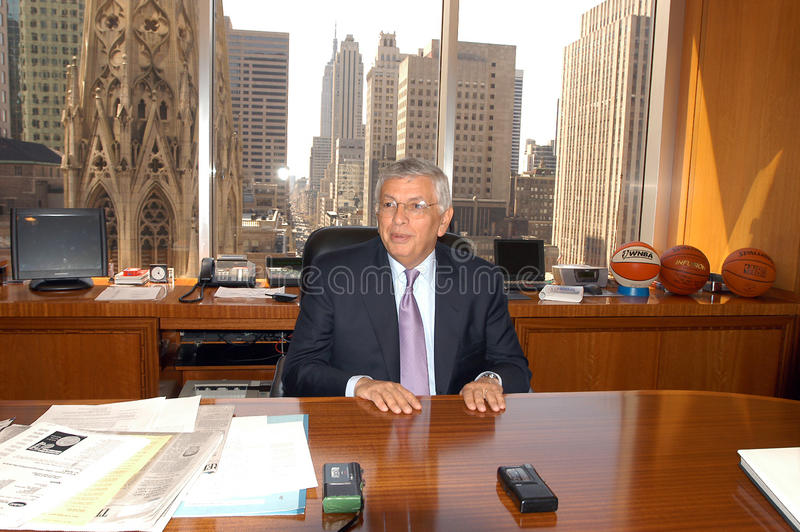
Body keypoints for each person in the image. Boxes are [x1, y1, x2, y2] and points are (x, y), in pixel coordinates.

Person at [283, 158, 531, 414]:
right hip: (364, 424)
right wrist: (359, 385)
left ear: (443, 220)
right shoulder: (333, 275)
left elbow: (513, 367)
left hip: (451, 426)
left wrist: (490, 380)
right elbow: (298, 371)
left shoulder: (481, 280)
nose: (398, 219)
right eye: (389, 205)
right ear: (378, 214)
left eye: (416, 206)